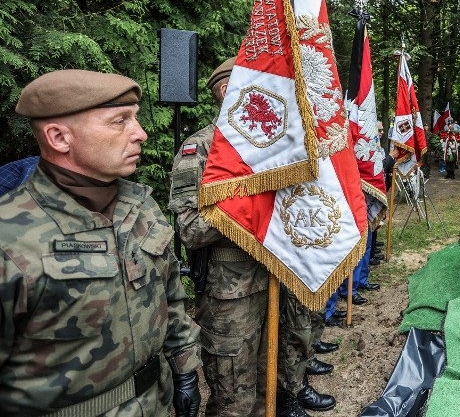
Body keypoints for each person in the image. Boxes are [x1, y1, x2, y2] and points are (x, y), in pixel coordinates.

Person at [0, 69, 202, 416]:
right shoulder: (11, 236)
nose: (141, 133)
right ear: (59, 138)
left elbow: (171, 296)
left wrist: (185, 370)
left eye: (136, 119)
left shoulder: (141, 206)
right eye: (119, 121)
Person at [169, 58, 334, 417]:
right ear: (228, 91)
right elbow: (189, 229)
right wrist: (248, 198)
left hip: (275, 281)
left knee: (267, 390)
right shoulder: (199, 150)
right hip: (231, 296)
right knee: (234, 401)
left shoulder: (270, 149)